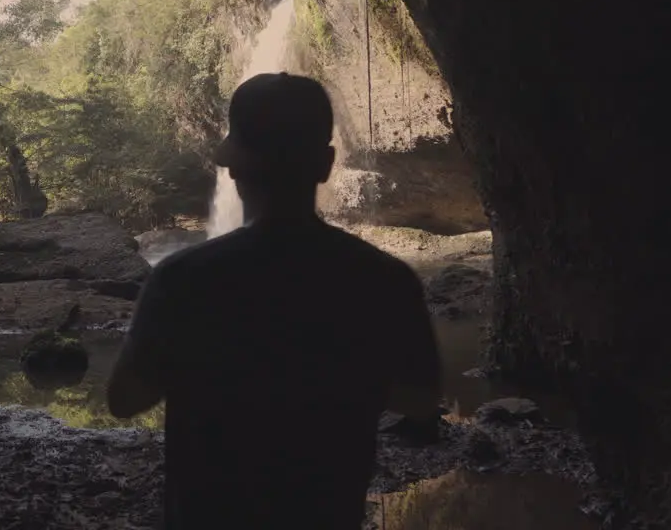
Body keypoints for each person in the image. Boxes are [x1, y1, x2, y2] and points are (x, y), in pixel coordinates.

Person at [106, 72, 442, 529]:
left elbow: (125, 399)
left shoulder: (181, 281)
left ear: (234, 168)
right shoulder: (386, 279)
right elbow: (421, 400)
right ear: (325, 165)